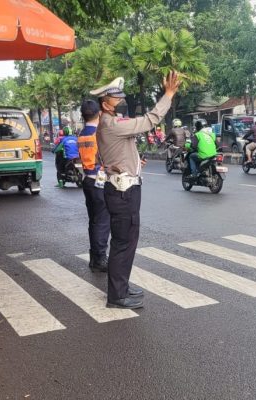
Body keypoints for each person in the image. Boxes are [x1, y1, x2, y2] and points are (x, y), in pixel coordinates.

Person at [91, 72, 180, 309]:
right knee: (123, 243)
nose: (121, 100)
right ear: (105, 102)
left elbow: (115, 153)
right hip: (123, 193)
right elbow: (151, 119)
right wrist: (168, 95)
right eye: (115, 97)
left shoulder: (108, 125)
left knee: (126, 241)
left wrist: (134, 162)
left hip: (122, 188)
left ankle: (121, 287)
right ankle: (117, 296)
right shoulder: (112, 124)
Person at [77, 100, 110, 273]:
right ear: (99, 113)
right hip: (99, 181)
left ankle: (94, 257)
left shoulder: (82, 133)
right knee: (103, 222)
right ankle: (100, 258)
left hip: (87, 181)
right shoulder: (99, 133)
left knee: (94, 220)